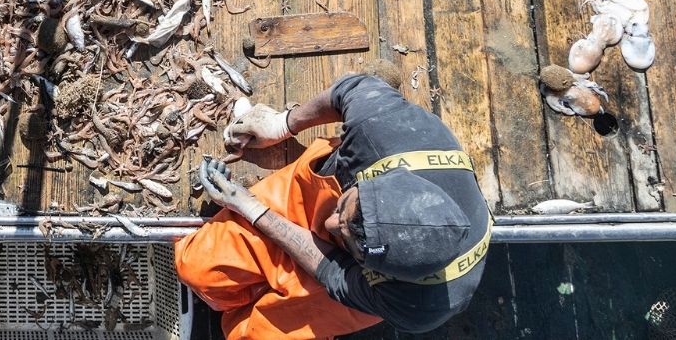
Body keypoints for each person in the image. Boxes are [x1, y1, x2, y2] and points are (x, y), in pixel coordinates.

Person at [176, 72, 490, 339]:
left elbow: (331, 271)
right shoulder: (384, 131)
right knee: (198, 268)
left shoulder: (420, 306)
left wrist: (254, 211)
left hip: (345, 275)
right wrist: (283, 123)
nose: (328, 225)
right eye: (345, 210)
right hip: (319, 192)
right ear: (377, 178)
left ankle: (273, 294)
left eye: (353, 243)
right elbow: (349, 88)